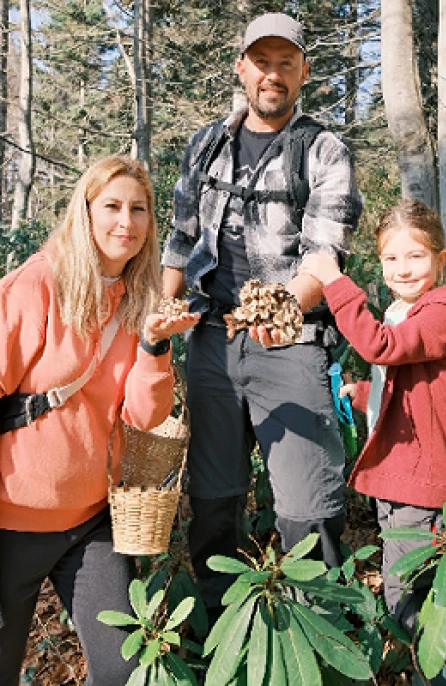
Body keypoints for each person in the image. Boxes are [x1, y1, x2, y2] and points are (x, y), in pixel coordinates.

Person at [160, 13, 363, 616]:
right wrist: (158, 325)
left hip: (291, 343)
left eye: (285, 63)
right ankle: (224, 625)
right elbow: (180, 238)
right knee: (215, 498)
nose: (272, 75)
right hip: (210, 344)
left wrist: (280, 306)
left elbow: (326, 252)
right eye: (261, 62)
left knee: (309, 505)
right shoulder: (205, 144)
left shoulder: (323, 150)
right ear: (242, 67)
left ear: (302, 71)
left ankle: (318, 631)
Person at [0, 156, 200, 685]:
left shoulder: (139, 299)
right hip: (11, 523)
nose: (125, 222)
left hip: (91, 523)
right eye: (111, 206)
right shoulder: (37, 285)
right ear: (84, 213)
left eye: (139, 209)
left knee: (124, 672)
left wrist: (155, 345)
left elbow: (143, 416)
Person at [298, 200, 446, 630]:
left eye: (415, 256)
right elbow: (414, 385)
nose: (402, 268)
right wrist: (367, 391)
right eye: (391, 258)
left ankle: (431, 669)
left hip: (420, 485)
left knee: (408, 597)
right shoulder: (403, 312)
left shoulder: (442, 311)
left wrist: (334, 281)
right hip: (398, 474)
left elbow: (381, 347)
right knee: (402, 581)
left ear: (440, 260)